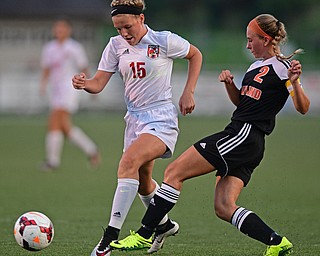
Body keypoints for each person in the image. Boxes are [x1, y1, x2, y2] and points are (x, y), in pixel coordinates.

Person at [110, 14, 310, 256]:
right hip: (249, 141)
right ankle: (277, 242)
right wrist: (230, 85)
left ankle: (143, 234)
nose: (247, 45)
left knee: (174, 172)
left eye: (251, 40)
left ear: (266, 39)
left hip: (243, 134)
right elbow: (243, 104)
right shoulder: (256, 66)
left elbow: (302, 107)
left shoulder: (283, 67)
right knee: (224, 207)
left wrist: (295, 83)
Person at [72, 0, 202, 255]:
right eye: (118, 28)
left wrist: (189, 91)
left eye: (127, 27)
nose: (124, 33)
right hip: (133, 120)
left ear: (141, 19)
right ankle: (163, 226)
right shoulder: (115, 45)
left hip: (161, 118)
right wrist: (84, 83)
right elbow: (98, 83)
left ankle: (107, 240)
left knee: (128, 162)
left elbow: (195, 54)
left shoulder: (163, 40)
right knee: (143, 182)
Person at [40, 19, 100, 171]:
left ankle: (53, 161)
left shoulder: (74, 47)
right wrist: (43, 84)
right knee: (64, 127)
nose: (59, 31)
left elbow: (83, 67)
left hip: (69, 89)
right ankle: (91, 150)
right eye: (57, 29)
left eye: (62, 29)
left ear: (68, 30)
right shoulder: (49, 48)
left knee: (55, 120)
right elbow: (47, 68)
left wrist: (90, 85)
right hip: (56, 90)